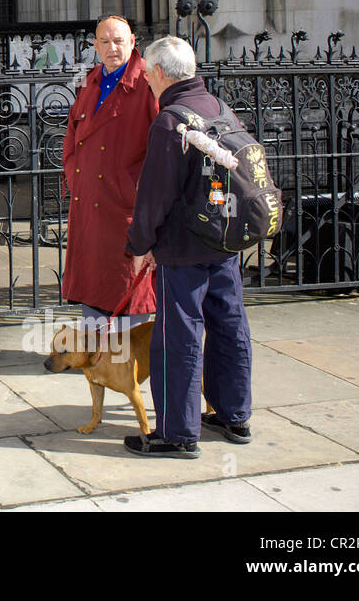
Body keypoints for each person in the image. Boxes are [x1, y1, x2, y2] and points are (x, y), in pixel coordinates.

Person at [124, 35, 253, 458]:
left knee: (178, 334)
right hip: (225, 239)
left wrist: (140, 244)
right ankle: (234, 416)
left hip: (184, 248)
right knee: (229, 325)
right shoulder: (219, 107)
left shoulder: (169, 120)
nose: (145, 82)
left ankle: (178, 434)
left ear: (160, 73)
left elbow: (155, 193)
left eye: (146, 75)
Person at [61, 15, 159, 330]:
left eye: (119, 41)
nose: (112, 48)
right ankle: (97, 353)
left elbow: (163, 146)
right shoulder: (89, 81)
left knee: (128, 284)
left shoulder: (147, 83)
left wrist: (135, 188)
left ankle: (127, 356)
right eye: (105, 41)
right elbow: (72, 138)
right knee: (93, 278)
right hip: (89, 201)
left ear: (133, 42)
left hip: (126, 207)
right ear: (95, 46)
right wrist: (77, 178)